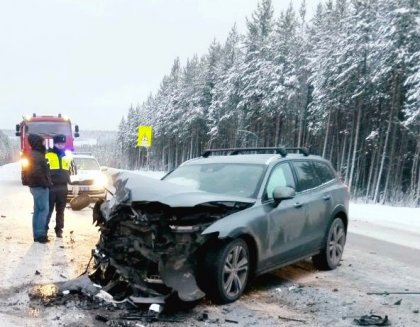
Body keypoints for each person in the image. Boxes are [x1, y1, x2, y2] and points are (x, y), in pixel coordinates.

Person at [45, 134, 74, 238]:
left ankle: (59, 230)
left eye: (62, 143)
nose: (61, 145)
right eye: (59, 143)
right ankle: (44, 229)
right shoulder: (48, 154)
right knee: (48, 210)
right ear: (55, 143)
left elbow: (72, 170)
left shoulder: (67, 156)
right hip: (51, 187)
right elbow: (44, 170)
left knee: (60, 211)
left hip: (63, 187)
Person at [26, 134, 51, 243]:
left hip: (35, 186)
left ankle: (36, 234)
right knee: (43, 210)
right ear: (38, 142)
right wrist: (46, 183)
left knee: (37, 210)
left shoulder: (33, 154)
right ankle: (40, 235)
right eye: (43, 141)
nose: (44, 143)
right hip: (40, 186)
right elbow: (37, 173)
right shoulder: (38, 155)